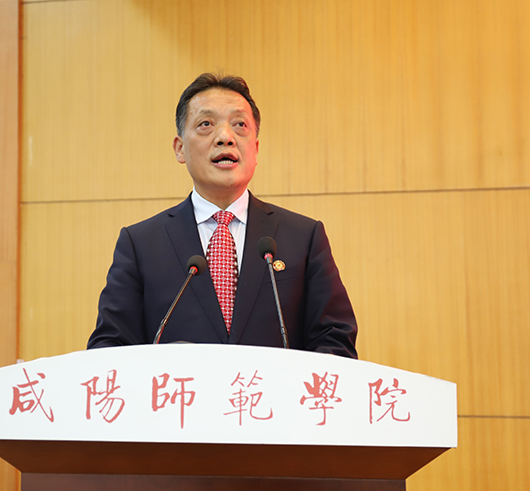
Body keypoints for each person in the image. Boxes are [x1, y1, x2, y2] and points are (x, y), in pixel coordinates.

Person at [87, 73, 357, 358]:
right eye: (206, 124)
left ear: (255, 148)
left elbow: (335, 340)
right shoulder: (140, 244)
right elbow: (109, 347)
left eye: (240, 125)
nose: (225, 137)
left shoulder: (303, 237)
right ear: (180, 148)